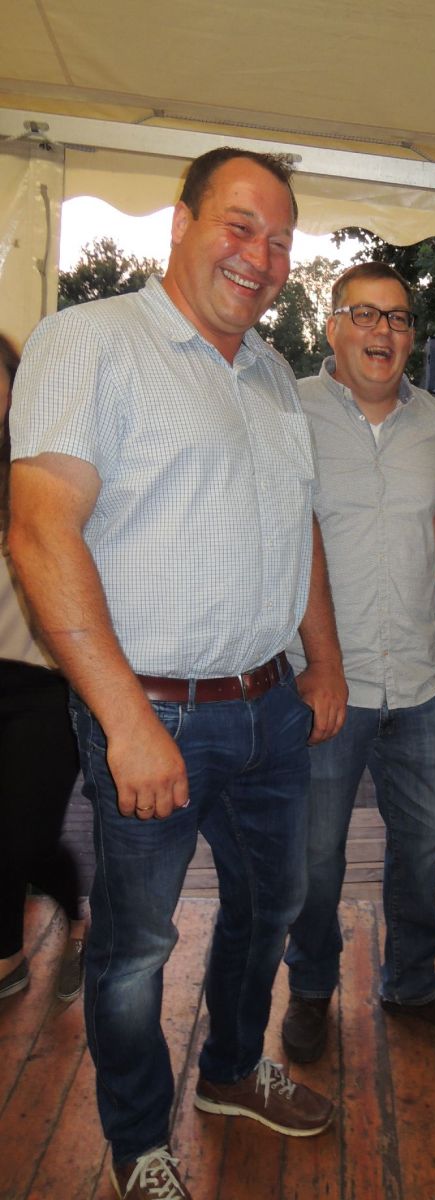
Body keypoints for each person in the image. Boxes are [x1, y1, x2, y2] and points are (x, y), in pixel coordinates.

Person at [8, 148, 347, 1200]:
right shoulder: (92, 340)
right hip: (151, 713)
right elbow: (39, 531)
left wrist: (325, 661)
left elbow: (298, 527)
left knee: (272, 904)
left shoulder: (272, 373)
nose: (261, 256)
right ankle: (135, 1138)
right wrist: (126, 721)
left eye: (280, 241)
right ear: (181, 224)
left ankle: (234, 1071)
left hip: (269, 707)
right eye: (240, 226)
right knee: (137, 947)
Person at [281, 262, 435, 1067]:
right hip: (324, 681)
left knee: (425, 843)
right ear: (332, 326)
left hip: (418, 681)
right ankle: (310, 987)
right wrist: (312, 661)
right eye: (365, 314)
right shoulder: (289, 407)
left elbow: (434, 523)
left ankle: (411, 981)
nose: (383, 331)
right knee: (315, 856)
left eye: (399, 318)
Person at [0, 333, 85, 1004]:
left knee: (18, 832)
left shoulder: (48, 466)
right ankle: (59, 910)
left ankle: (16, 952)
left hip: (43, 682)